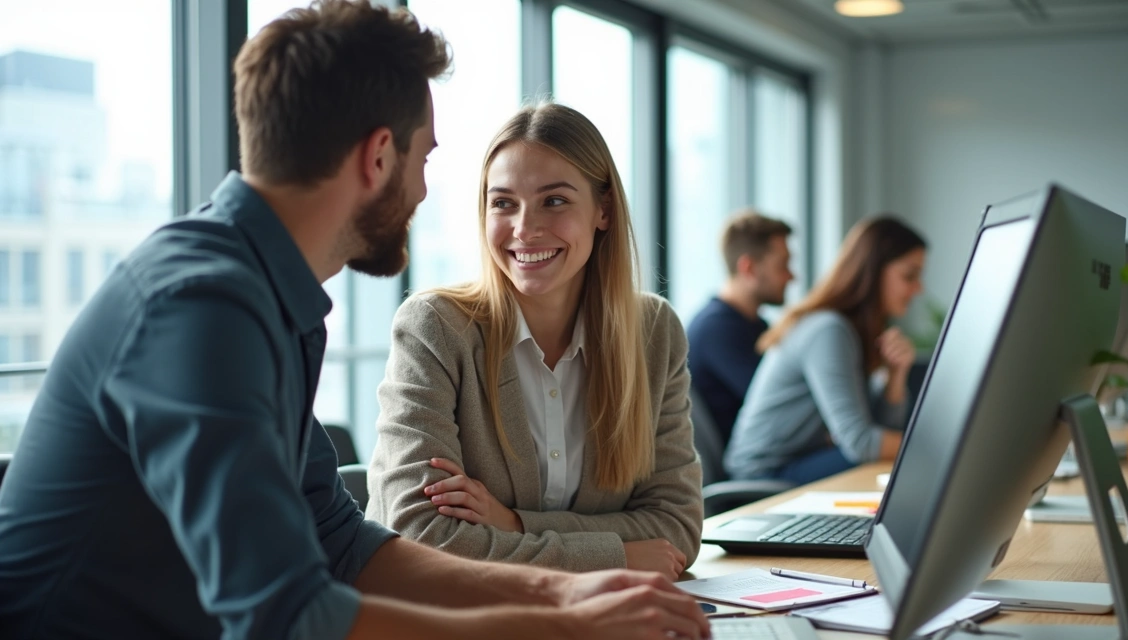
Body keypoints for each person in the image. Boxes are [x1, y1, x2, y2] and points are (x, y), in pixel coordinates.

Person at [0, 3, 709, 640]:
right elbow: (289, 616)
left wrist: (571, 592)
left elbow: (343, 545)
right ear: (378, 156)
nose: (427, 189)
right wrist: (561, 625)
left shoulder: (266, 297)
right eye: (424, 157)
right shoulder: (201, 308)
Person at [365, 103, 703, 581]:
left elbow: (677, 526)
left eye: (555, 201)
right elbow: (420, 534)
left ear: (603, 210)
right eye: (503, 203)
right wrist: (618, 555)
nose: (525, 229)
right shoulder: (436, 328)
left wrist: (515, 524)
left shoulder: (652, 332)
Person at [723, 216, 926, 485]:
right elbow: (862, 443)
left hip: (803, 459)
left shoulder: (853, 332)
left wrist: (895, 377)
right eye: (908, 275)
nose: (918, 288)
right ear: (873, 272)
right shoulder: (828, 330)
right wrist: (937, 450)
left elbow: (877, 432)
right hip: (763, 475)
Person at [686, 210, 794, 443]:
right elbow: (779, 405)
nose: (791, 276)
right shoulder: (716, 329)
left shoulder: (757, 325)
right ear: (749, 268)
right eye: (782, 265)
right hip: (744, 462)